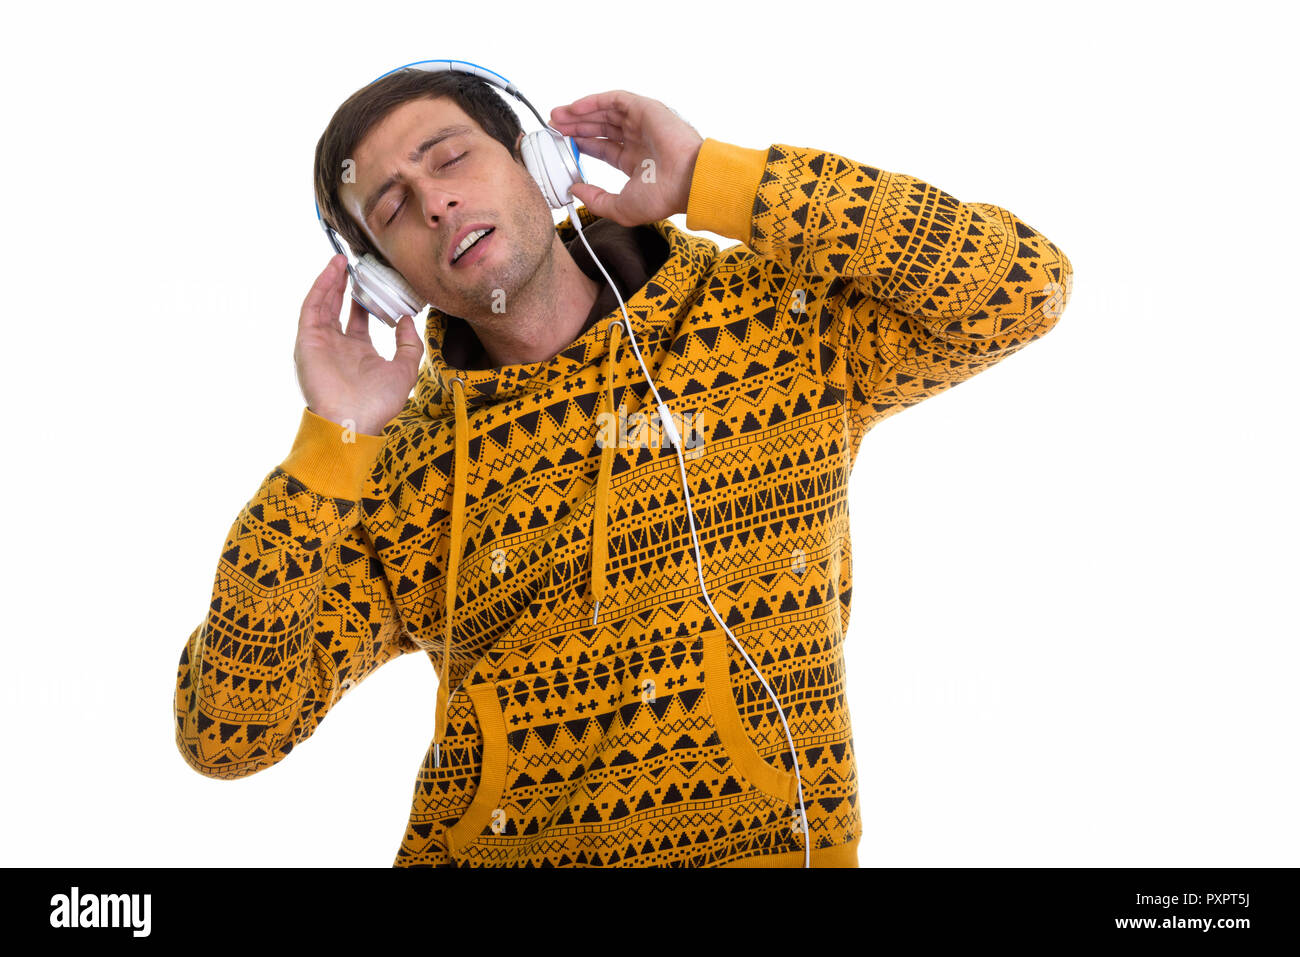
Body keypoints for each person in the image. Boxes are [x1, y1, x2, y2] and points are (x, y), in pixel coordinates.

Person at [173, 68, 1074, 868]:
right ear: (388, 278)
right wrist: (333, 440)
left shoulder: (775, 323)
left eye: (447, 158)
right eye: (395, 209)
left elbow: (1021, 286)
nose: (436, 203)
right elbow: (227, 731)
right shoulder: (404, 468)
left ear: (537, 160)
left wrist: (715, 181)